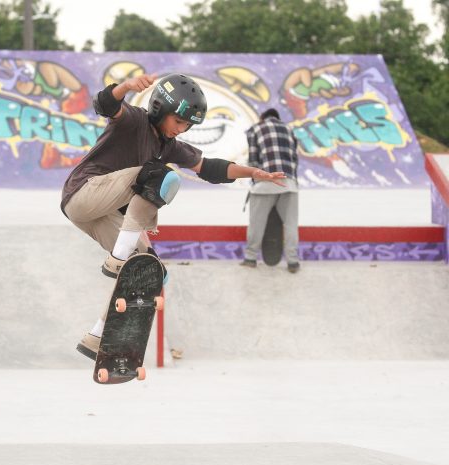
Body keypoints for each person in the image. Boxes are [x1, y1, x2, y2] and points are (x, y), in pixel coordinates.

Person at [60, 73, 288, 359]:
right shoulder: (135, 121)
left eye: (187, 125)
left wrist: (253, 172)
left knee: (146, 269)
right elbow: (105, 105)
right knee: (158, 177)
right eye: (178, 122)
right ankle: (118, 258)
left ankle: (97, 337)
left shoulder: (168, 146)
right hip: (84, 192)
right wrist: (127, 87)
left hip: (98, 214)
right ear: (160, 110)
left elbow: (209, 168)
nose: (181, 130)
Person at [242, 108, 301, 273]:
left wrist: (255, 182)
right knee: (291, 225)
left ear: (262, 117)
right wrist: (291, 181)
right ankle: (293, 262)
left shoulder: (255, 129)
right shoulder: (289, 129)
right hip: (289, 183)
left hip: (266, 182)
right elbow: (295, 160)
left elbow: (253, 160)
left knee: (256, 224)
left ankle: (250, 258)